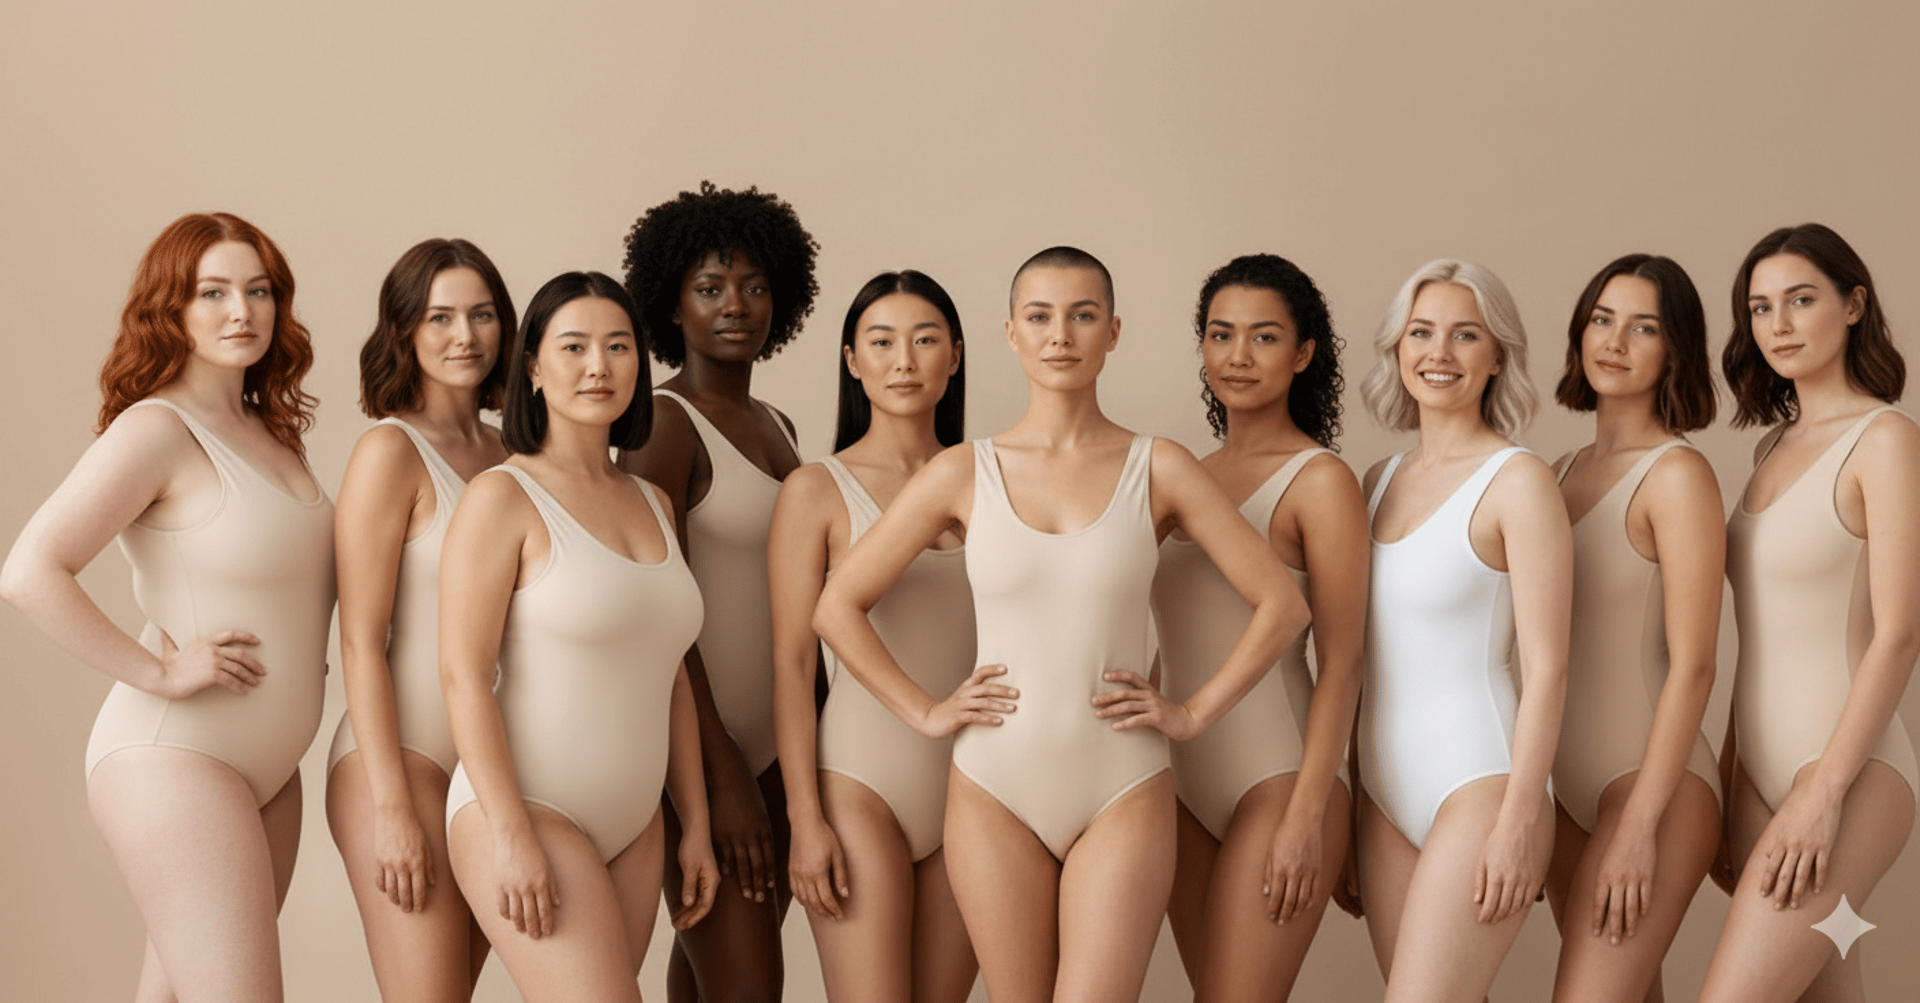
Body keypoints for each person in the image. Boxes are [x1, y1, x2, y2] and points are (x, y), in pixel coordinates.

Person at [814, 247, 1309, 1003]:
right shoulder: (962, 472)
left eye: (1082, 316)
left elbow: (1285, 604)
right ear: (1011, 333)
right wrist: (927, 709)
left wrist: (1192, 711)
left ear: (1112, 332)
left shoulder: (1162, 466)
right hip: (991, 785)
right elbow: (835, 607)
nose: (1061, 335)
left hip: (1123, 783)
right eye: (1040, 317)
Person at [0, 212, 333, 1002]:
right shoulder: (156, 429)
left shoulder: (267, 431)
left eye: (258, 291)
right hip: (177, 757)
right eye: (212, 292)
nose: (241, 311)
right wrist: (158, 669)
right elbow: (29, 570)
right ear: (171, 309)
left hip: (269, 769)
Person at [439, 272, 719, 1002]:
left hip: (635, 824)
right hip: (530, 806)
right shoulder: (501, 496)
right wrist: (509, 834)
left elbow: (672, 677)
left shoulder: (652, 501)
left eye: (619, 346)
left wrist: (694, 822)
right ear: (532, 365)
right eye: (575, 346)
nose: (599, 366)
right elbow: (463, 676)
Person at [1699, 224, 1918, 1003]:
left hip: (1849, 774)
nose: (1778, 325)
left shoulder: (1886, 440)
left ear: (1854, 304)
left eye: (1801, 300)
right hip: (1759, 771)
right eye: (1760, 308)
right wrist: (1731, 774)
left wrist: (1822, 792)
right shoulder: (1770, 449)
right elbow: (1757, 635)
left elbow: (1898, 634)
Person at [616, 181, 819, 1002]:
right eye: (709, 288)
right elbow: (658, 615)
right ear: (671, 302)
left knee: (712, 970)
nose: (735, 305)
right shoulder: (663, 426)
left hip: (780, 745)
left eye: (755, 286)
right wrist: (720, 773)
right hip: (702, 754)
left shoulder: (779, 424)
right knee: (748, 985)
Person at [1149, 254, 1366, 1002]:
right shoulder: (1182, 477)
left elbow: (1343, 661)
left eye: (1264, 337)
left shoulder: (1320, 481)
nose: (1238, 356)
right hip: (1177, 782)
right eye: (1221, 334)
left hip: (1277, 776)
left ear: (1303, 353)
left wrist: (1311, 813)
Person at [1354, 259, 1571, 1003]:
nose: (1438, 352)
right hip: (1380, 795)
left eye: (1464, 334)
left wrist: (1520, 820)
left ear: (1496, 355)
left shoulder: (1518, 481)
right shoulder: (1374, 480)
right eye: (1421, 332)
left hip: (1481, 782)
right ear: (1397, 347)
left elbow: (1547, 669)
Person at [769, 271, 978, 1003]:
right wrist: (804, 820)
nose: (904, 360)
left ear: (954, 354)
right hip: (861, 785)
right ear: (852, 360)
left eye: (925, 340)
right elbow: (794, 667)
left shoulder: (993, 479)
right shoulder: (815, 490)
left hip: (974, 786)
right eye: (881, 342)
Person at [325, 238, 516, 1001]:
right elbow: (360, 641)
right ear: (403, 330)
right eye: (439, 317)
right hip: (397, 758)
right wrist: (392, 807)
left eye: (481, 314)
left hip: (482, 765)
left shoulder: (511, 454)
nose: (464, 335)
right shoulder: (389, 451)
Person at [1544, 254, 1723, 1003]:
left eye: (1643, 327)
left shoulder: (1677, 476)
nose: (1614, 341)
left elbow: (1695, 665)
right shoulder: (1556, 470)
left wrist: (1640, 825)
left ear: (1674, 349)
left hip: (1653, 785)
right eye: (1601, 319)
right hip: (1565, 786)